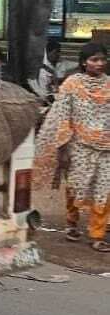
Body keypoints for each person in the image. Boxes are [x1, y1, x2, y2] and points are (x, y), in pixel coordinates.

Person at [35, 42, 110, 252]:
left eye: (103, 59)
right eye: (94, 59)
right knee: (76, 187)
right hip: (79, 146)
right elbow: (62, 116)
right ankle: (71, 222)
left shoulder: (109, 84)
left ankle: (97, 235)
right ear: (84, 62)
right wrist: (62, 146)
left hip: (106, 147)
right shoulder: (72, 84)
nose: (100, 63)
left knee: (104, 190)